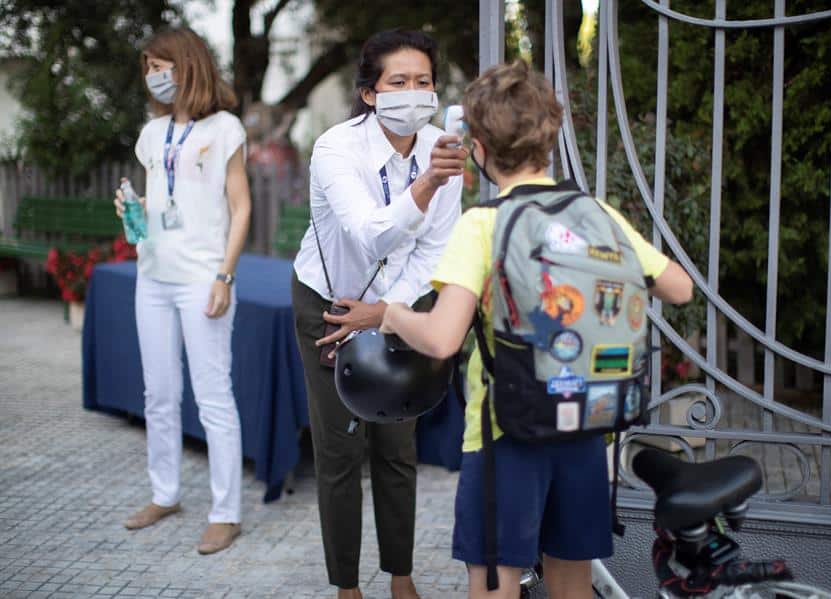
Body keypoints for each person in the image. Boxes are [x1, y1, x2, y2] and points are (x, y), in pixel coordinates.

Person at [380, 60, 694, 599]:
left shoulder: (483, 225)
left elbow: (441, 339)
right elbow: (680, 288)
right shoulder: (594, 212)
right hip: (587, 427)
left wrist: (392, 313)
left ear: (476, 146)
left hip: (506, 436)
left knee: (495, 583)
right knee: (572, 586)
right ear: (549, 139)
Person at [290, 29, 467, 599]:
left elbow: (434, 250)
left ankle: (402, 577)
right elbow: (369, 236)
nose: (413, 93)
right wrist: (427, 183)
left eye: (423, 82)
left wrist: (388, 312)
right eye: (398, 82)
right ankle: (347, 586)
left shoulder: (441, 146)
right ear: (370, 93)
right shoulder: (336, 148)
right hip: (328, 302)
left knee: (398, 446)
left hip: (398, 306)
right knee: (341, 449)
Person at [113, 27, 251, 555]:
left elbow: (241, 208)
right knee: (159, 393)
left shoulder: (225, 128)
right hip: (153, 276)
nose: (154, 76)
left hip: (202, 280)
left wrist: (224, 275)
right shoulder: (151, 135)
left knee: (213, 396)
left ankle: (226, 512)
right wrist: (133, 210)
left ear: (187, 64)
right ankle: (165, 493)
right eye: (148, 67)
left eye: (161, 64)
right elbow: (161, 204)